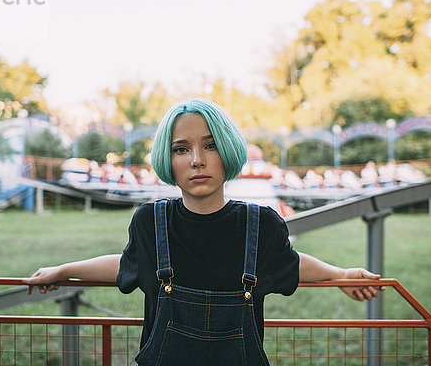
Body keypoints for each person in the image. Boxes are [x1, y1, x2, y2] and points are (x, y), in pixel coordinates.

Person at [24, 99, 384, 366]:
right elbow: (124, 264)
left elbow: (290, 263)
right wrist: (64, 269)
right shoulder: (150, 222)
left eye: (210, 145)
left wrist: (340, 275)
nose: (197, 159)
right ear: (170, 160)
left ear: (227, 152)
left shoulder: (261, 224)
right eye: (182, 149)